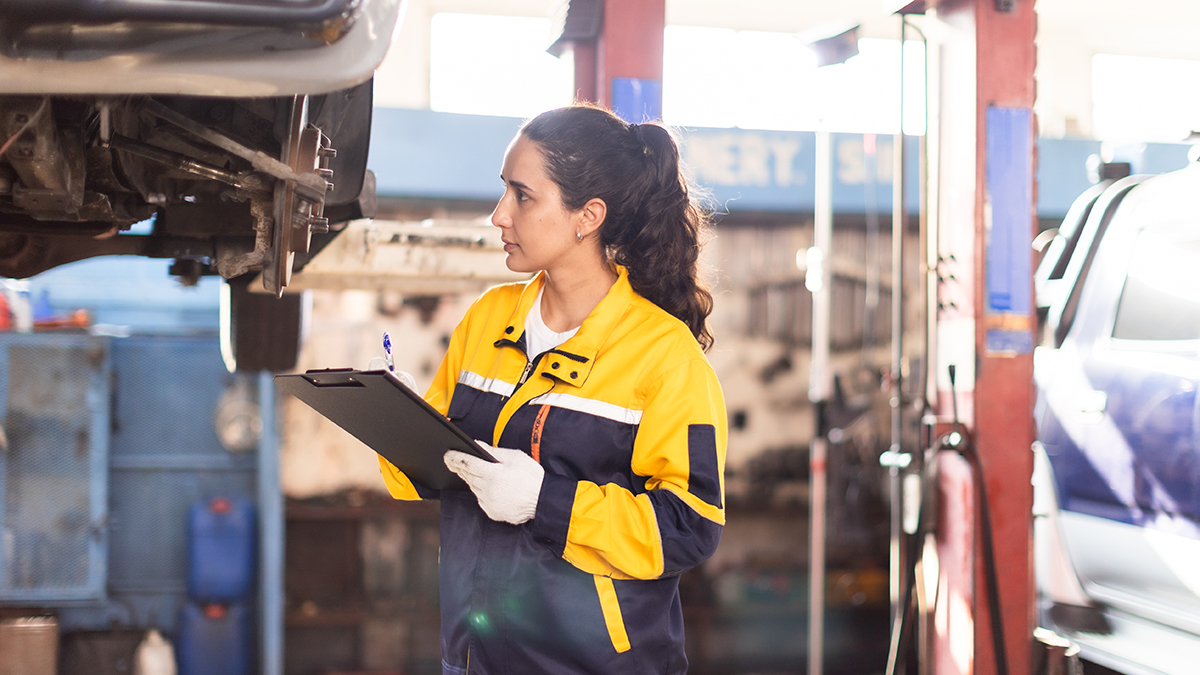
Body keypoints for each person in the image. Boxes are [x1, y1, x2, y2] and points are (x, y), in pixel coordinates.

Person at [378, 104, 727, 675]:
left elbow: (689, 528)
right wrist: (393, 416)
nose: (499, 216)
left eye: (522, 196)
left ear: (587, 216)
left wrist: (546, 501)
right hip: (472, 657)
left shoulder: (663, 355)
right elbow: (435, 473)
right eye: (503, 192)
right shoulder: (488, 320)